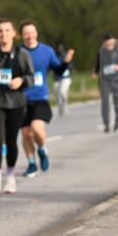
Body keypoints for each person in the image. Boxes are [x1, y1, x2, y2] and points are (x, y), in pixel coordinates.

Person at [0, 19, 34, 194]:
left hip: (16, 103)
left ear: (14, 34)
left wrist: (21, 80)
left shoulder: (22, 54)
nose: (4, 34)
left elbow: (31, 78)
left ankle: (10, 176)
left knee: (11, 141)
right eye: (0, 31)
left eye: (7, 30)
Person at [19, 21, 74, 177]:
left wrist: (66, 62)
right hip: (21, 99)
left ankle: (42, 149)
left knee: (37, 129)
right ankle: (31, 164)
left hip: (39, 97)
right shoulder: (18, 52)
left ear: (36, 33)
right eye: (26, 33)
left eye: (32, 32)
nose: (29, 36)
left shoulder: (46, 51)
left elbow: (58, 69)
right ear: (22, 35)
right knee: (25, 134)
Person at [92, 32, 118, 133]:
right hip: (104, 80)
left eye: (111, 40)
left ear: (114, 41)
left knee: (117, 101)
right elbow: (98, 64)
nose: (110, 42)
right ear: (104, 42)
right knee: (105, 101)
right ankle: (106, 124)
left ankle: (117, 121)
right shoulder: (101, 52)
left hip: (116, 79)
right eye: (107, 40)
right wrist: (95, 72)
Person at [55, 43, 74, 117]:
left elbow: (70, 65)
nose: (59, 49)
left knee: (62, 92)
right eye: (58, 48)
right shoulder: (55, 56)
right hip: (56, 78)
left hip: (66, 78)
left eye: (60, 48)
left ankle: (65, 104)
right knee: (57, 94)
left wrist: (70, 69)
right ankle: (60, 108)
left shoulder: (66, 56)